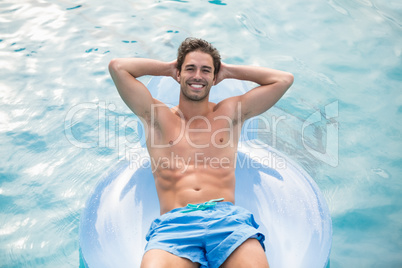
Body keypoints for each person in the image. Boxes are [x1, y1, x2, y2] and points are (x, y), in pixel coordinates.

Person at [108, 37, 293, 268]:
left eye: (206, 70)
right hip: (175, 225)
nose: (197, 76)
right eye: (190, 69)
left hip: (227, 221)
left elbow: (284, 80)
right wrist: (169, 68)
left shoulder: (230, 112)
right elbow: (118, 67)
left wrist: (227, 71)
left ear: (214, 77)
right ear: (178, 73)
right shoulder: (157, 116)